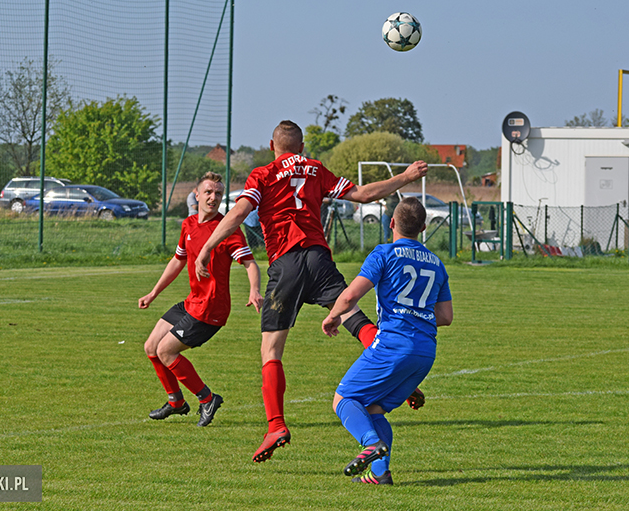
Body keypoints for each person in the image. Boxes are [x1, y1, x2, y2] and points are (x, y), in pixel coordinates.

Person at [194, 120, 428, 462]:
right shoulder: (316, 169)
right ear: (302, 147)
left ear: (272, 145)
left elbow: (240, 212)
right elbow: (363, 195)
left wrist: (208, 246)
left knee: (271, 350)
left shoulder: (263, 174)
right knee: (353, 317)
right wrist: (406, 177)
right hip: (318, 259)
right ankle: (395, 371)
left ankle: (276, 425)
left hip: (286, 264)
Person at [322, 197, 453, 485]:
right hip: (425, 351)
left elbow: (349, 296)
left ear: (391, 223)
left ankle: (369, 443)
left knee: (343, 399)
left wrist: (333, 316)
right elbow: (445, 316)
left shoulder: (384, 254)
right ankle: (381, 474)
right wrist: (417, 311)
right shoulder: (437, 263)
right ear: (423, 227)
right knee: (373, 408)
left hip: (393, 343)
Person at [139, 171, 263, 427]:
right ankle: (176, 402)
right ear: (196, 195)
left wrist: (254, 290)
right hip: (191, 302)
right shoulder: (189, 224)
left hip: (210, 309)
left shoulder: (228, 229)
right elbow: (178, 260)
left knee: (166, 350)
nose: (213, 197)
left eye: (218, 193)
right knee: (151, 347)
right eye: (208, 192)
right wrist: (154, 292)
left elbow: (250, 264)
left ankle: (207, 398)